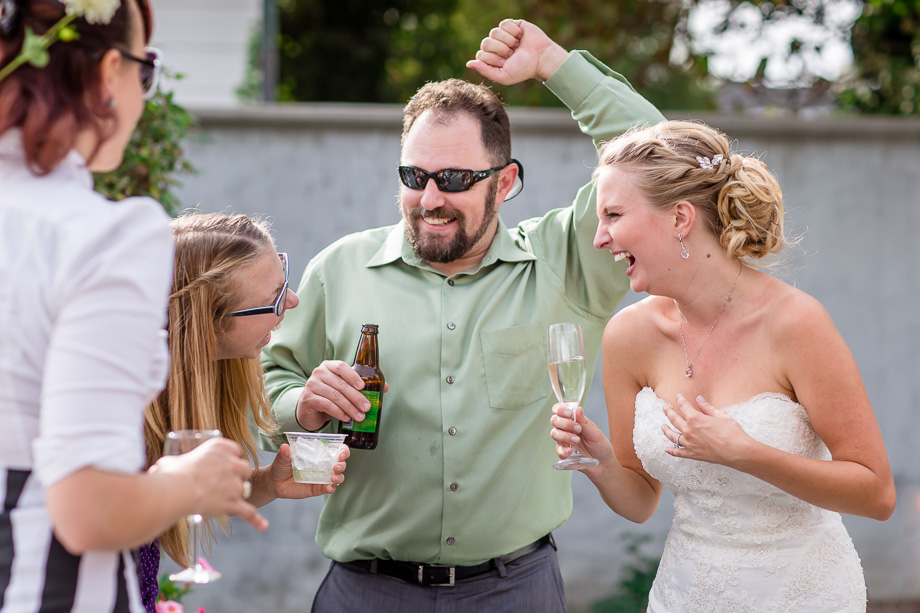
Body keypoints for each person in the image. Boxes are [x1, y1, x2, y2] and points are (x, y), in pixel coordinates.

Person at [260, 18, 664, 612]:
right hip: (366, 591)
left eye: (452, 179)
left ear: (505, 184)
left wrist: (554, 63)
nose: (429, 200)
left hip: (516, 590)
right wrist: (304, 404)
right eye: (413, 177)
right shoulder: (338, 269)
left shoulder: (569, 260)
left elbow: (661, 152)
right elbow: (266, 382)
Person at [550, 119, 896, 612]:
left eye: (613, 215)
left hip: (804, 594)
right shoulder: (629, 337)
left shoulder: (795, 323)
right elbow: (641, 501)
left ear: (680, 218)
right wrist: (602, 462)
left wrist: (746, 452)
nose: (600, 238)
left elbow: (877, 495)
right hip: (685, 594)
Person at [0, 1, 264, 612]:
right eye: (146, 73)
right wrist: (186, 482)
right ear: (107, 74)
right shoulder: (103, 237)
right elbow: (88, 512)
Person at [136, 213, 350, 612]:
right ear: (208, 322)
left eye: (284, 279)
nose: (292, 301)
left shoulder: (184, 384)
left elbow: (179, 495)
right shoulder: (124, 401)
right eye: (273, 298)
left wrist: (268, 482)